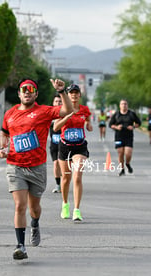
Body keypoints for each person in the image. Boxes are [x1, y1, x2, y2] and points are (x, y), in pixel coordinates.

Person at [0, 78, 73, 260]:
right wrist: (3, 147)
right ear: (19, 93)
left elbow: (68, 111)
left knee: (34, 207)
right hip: (15, 165)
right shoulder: (9, 114)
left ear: (36, 94)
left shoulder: (44, 111)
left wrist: (62, 92)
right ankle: (20, 246)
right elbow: (4, 132)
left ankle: (35, 223)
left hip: (37, 167)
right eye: (24, 89)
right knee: (19, 205)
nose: (27, 91)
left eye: (31, 89)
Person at [54, 84, 93, 222]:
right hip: (65, 146)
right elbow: (55, 127)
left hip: (80, 147)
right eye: (71, 93)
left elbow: (88, 120)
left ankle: (77, 210)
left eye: (76, 93)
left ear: (79, 95)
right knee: (66, 178)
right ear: (68, 95)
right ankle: (65, 204)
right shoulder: (62, 109)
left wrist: (88, 125)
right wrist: (67, 116)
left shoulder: (84, 110)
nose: (74, 95)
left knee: (77, 176)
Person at [108, 99, 141, 176]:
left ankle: (128, 163)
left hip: (128, 136)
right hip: (118, 136)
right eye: (122, 104)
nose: (124, 105)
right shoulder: (116, 114)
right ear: (120, 106)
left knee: (128, 153)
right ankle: (122, 169)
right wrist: (116, 127)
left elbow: (139, 123)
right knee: (120, 153)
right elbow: (110, 125)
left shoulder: (131, 114)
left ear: (127, 105)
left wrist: (133, 126)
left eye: (125, 104)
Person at [50, 94, 62, 193]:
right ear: (53, 103)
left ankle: (64, 181)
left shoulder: (65, 114)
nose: (58, 103)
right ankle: (58, 185)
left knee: (63, 165)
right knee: (56, 163)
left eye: (60, 101)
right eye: (56, 101)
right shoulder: (49, 115)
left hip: (64, 144)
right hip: (54, 143)